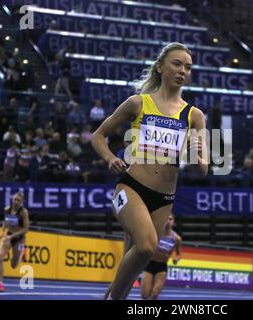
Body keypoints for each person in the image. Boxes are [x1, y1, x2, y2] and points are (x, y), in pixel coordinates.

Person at [92, 42, 208, 300]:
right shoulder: (138, 103)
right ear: (160, 67)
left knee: (132, 261)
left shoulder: (194, 116)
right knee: (146, 248)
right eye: (177, 64)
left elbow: (204, 168)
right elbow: (98, 136)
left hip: (164, 199)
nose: (182, 71)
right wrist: (110, 158)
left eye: (188, 67)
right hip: (132, 187)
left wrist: (193, 151)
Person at [0, 192, 30, 292]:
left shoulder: (24, 212)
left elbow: (26, 229)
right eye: (15, 199)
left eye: (19, 200)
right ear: (12, 199)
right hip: (8, 236)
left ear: (22, 202)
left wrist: (12, 236)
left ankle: (21, 253)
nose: (16, 202)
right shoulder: (7, 209)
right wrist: (2, 232)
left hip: (20, 239)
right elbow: (5, 221)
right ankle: (0, 283)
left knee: (14, 265)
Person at [141, 213, 182, 300]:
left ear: (173, 222)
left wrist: (176, 259)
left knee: (155, 294)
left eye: (170, 219)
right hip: (149, 264)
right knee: (144, 295)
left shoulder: (177, 239)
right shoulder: (156, 233)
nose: (168, 221)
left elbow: (179, 255)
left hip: (162, 267)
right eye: (166, 219)